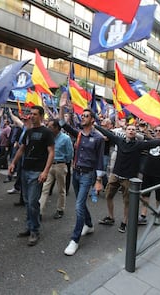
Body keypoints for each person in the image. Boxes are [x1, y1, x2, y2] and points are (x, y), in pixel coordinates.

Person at [95, 123, 160, 233]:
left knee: (127, 202)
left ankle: (124, 222)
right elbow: (107, 133)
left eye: (133, 129)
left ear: (135, 133)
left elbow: (156, 142)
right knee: (108, 196)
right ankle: (111, 217)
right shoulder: (119, 140)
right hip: (115, 176)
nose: (131, 131)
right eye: (129, 129)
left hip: (128, 178)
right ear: (125, 131)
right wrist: (96, 125)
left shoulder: (139, 144)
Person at [59, 95, 105, 256]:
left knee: (78, 205)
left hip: (88, 175)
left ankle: (75, 240)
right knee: (80, 203)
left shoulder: (98, 138)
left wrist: (98, 180)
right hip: (76, 173)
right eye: (82, 115)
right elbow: (62, 123)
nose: (83, 117)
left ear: (92, 120)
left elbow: (100, 160)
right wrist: (62, 107)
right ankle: (89, 224)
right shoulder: (78, 134)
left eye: (86, 115)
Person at [8, 105, 54, 247]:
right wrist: (13, 163)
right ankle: (29, 227)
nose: (31, 116)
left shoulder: (47, 132)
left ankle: (35, 230)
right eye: (31, 114)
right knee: (28, 201)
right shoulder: (28, 132)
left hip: (37, 173)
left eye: (34, 114)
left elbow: (51, 152)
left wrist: (45, 171)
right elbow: (22, 149)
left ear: (41, 116)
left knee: (33, 202)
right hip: (25, 170)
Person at [39, 118, 73, 219]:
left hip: (60, 166)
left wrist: (63, 162)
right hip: (49, 165)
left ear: (57, 128)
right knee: (45, 188)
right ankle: (40, 211)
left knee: (61, 189)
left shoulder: (66, 138)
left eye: (50, 127)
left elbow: (70, 154)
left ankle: (60, 209)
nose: (48, 128)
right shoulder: (48, 138)